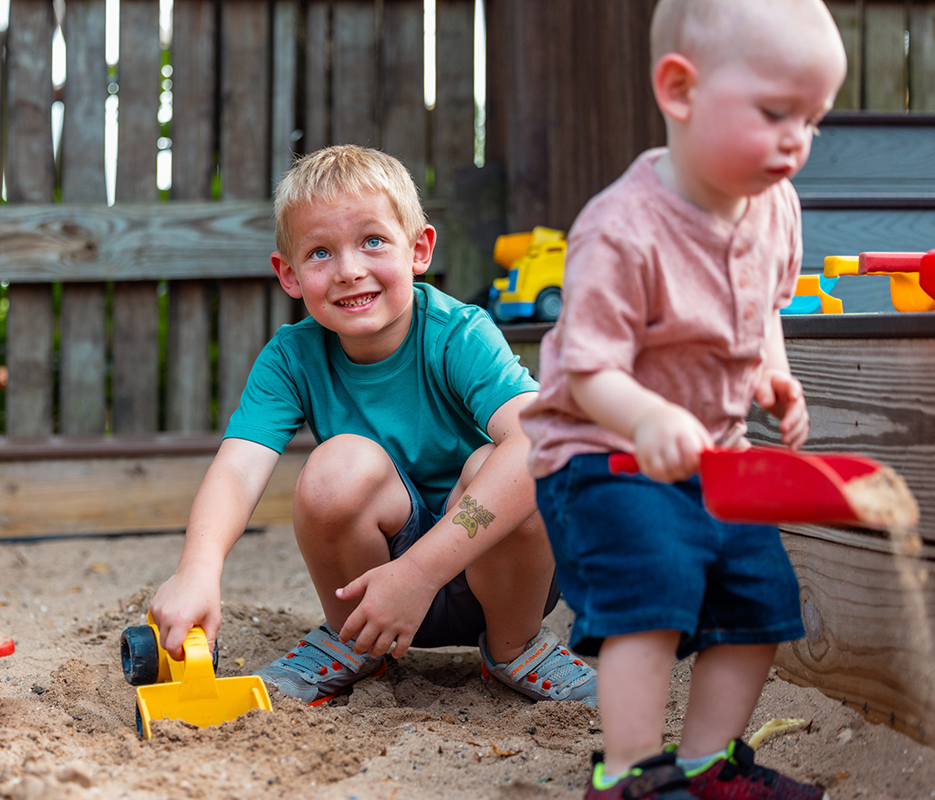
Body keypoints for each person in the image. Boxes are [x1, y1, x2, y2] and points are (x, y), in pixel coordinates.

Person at [520, 0, 846, 798]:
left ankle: (704, 764)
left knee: (760, 596)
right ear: (679, 89)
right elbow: (587, 372)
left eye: (813, 119)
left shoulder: (777, 207)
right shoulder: (623, 229)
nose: (796, 140)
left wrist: (774, 372)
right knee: (653, 591)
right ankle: (632, 773)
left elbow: (766, 305)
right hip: (602, 453)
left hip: (713, 457)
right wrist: (650, 415)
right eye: (776, 113)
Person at [150, 144, 596, 709]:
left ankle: (515, 651)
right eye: (319, 253)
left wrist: (418, 572)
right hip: (370, 595)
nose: (349, 270)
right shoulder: (292, 359)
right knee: (336, 467)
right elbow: (237, 469)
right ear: (288, 275)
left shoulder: (460, 335)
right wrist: (197, 569)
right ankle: (354, 645)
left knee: (502, 464)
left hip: (497, 579)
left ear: (419, 249)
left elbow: (541, 441)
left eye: (373, 241)